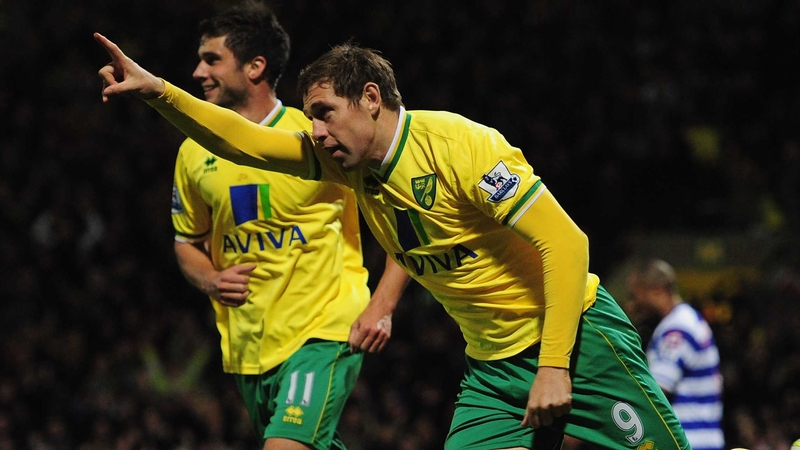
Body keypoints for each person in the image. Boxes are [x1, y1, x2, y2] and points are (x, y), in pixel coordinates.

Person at [95, 34, 690, 449]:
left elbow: (567, 243)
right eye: (310, 117)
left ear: (371, 98)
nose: (316, 132)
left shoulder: (460, 145)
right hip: (492, 369)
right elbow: (242, 142)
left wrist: (556, 366)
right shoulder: (342, 165)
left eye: (325, 113)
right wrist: (160, 93)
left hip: (577, 340)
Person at [162, 5, 409, 450]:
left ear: (255, 66)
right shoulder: (193, 153)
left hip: (325, 331)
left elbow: (403, 218)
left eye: (212, 59)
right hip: (248, 350)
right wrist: (212, 279)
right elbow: (186, 243)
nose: (198, 71)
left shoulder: (318, 136)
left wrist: (382, 304)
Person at [627, 259, 724, 450]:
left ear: (656, 291)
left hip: (689, 442)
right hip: (702, 439)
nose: (633, 305)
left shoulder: (676, 330)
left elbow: (656, 393)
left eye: (636, 296)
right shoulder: (689, 319)